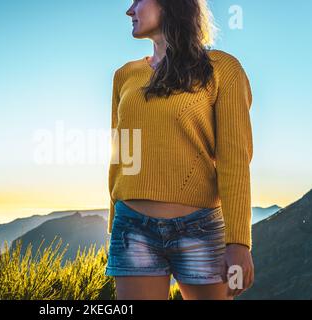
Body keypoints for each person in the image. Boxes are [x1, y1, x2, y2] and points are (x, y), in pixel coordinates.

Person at [105, 0, 255, 300]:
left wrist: (238, 241)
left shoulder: (223, 69)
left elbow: (234, 158)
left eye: (138, 0)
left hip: (199, 227)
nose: (129, 10)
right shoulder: (124, 76)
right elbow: (122, 155)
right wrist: (114, 223)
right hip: (132, 228)